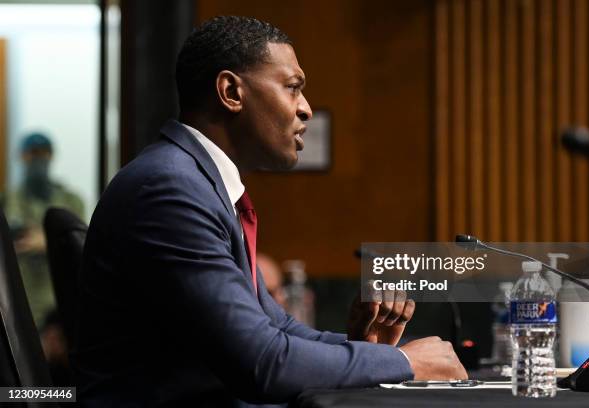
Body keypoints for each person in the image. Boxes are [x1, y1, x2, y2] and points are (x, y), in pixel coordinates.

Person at [74, 16, 466, 407]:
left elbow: (277, 329)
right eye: (293, 88)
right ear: (231, 92)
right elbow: (262, 363)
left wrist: (368, 350)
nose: (307, 109)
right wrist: (403, 362)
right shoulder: (170, 190)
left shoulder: (194, 182)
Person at [1, 132, 84, 326]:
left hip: (58, 302)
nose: (38, 158)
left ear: (51, 156)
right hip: (19, 302)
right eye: (32, 153)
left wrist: (47, 242)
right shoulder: (7, 201)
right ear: (22, 156)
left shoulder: (70, 202)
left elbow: (84, 249)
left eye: (43, 153)